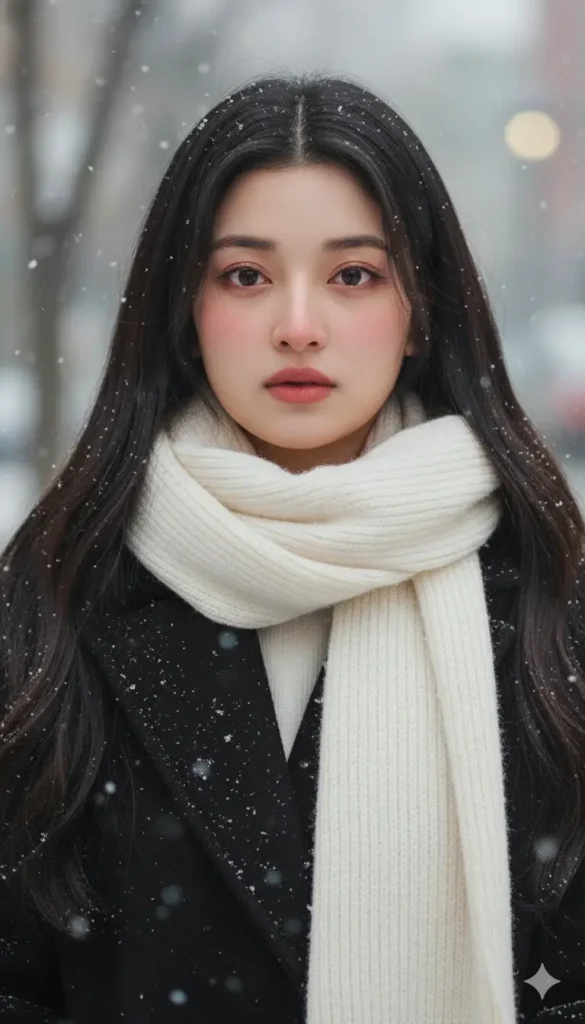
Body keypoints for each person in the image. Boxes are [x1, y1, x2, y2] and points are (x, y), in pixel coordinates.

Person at [1, 72, 584, 1024]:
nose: (298, 326)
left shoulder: (545, 593)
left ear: (418, 310)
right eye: (246, 275)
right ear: (186, 310)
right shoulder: (59, 587)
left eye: (353, 274)